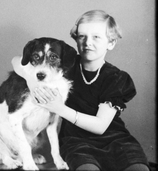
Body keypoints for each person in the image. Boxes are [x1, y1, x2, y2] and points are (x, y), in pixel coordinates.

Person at [21, 10, 150, 171]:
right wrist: (32, 82)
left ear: (111, 43)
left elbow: (100, 126)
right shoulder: (65, 64)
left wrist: (60, 108)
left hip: (116, 140)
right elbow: (17, 61)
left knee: (138, 169)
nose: (88, 42)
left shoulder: (116, 77)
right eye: (82, 36)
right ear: (76, 39)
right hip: (76, 142)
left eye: (96, 37)